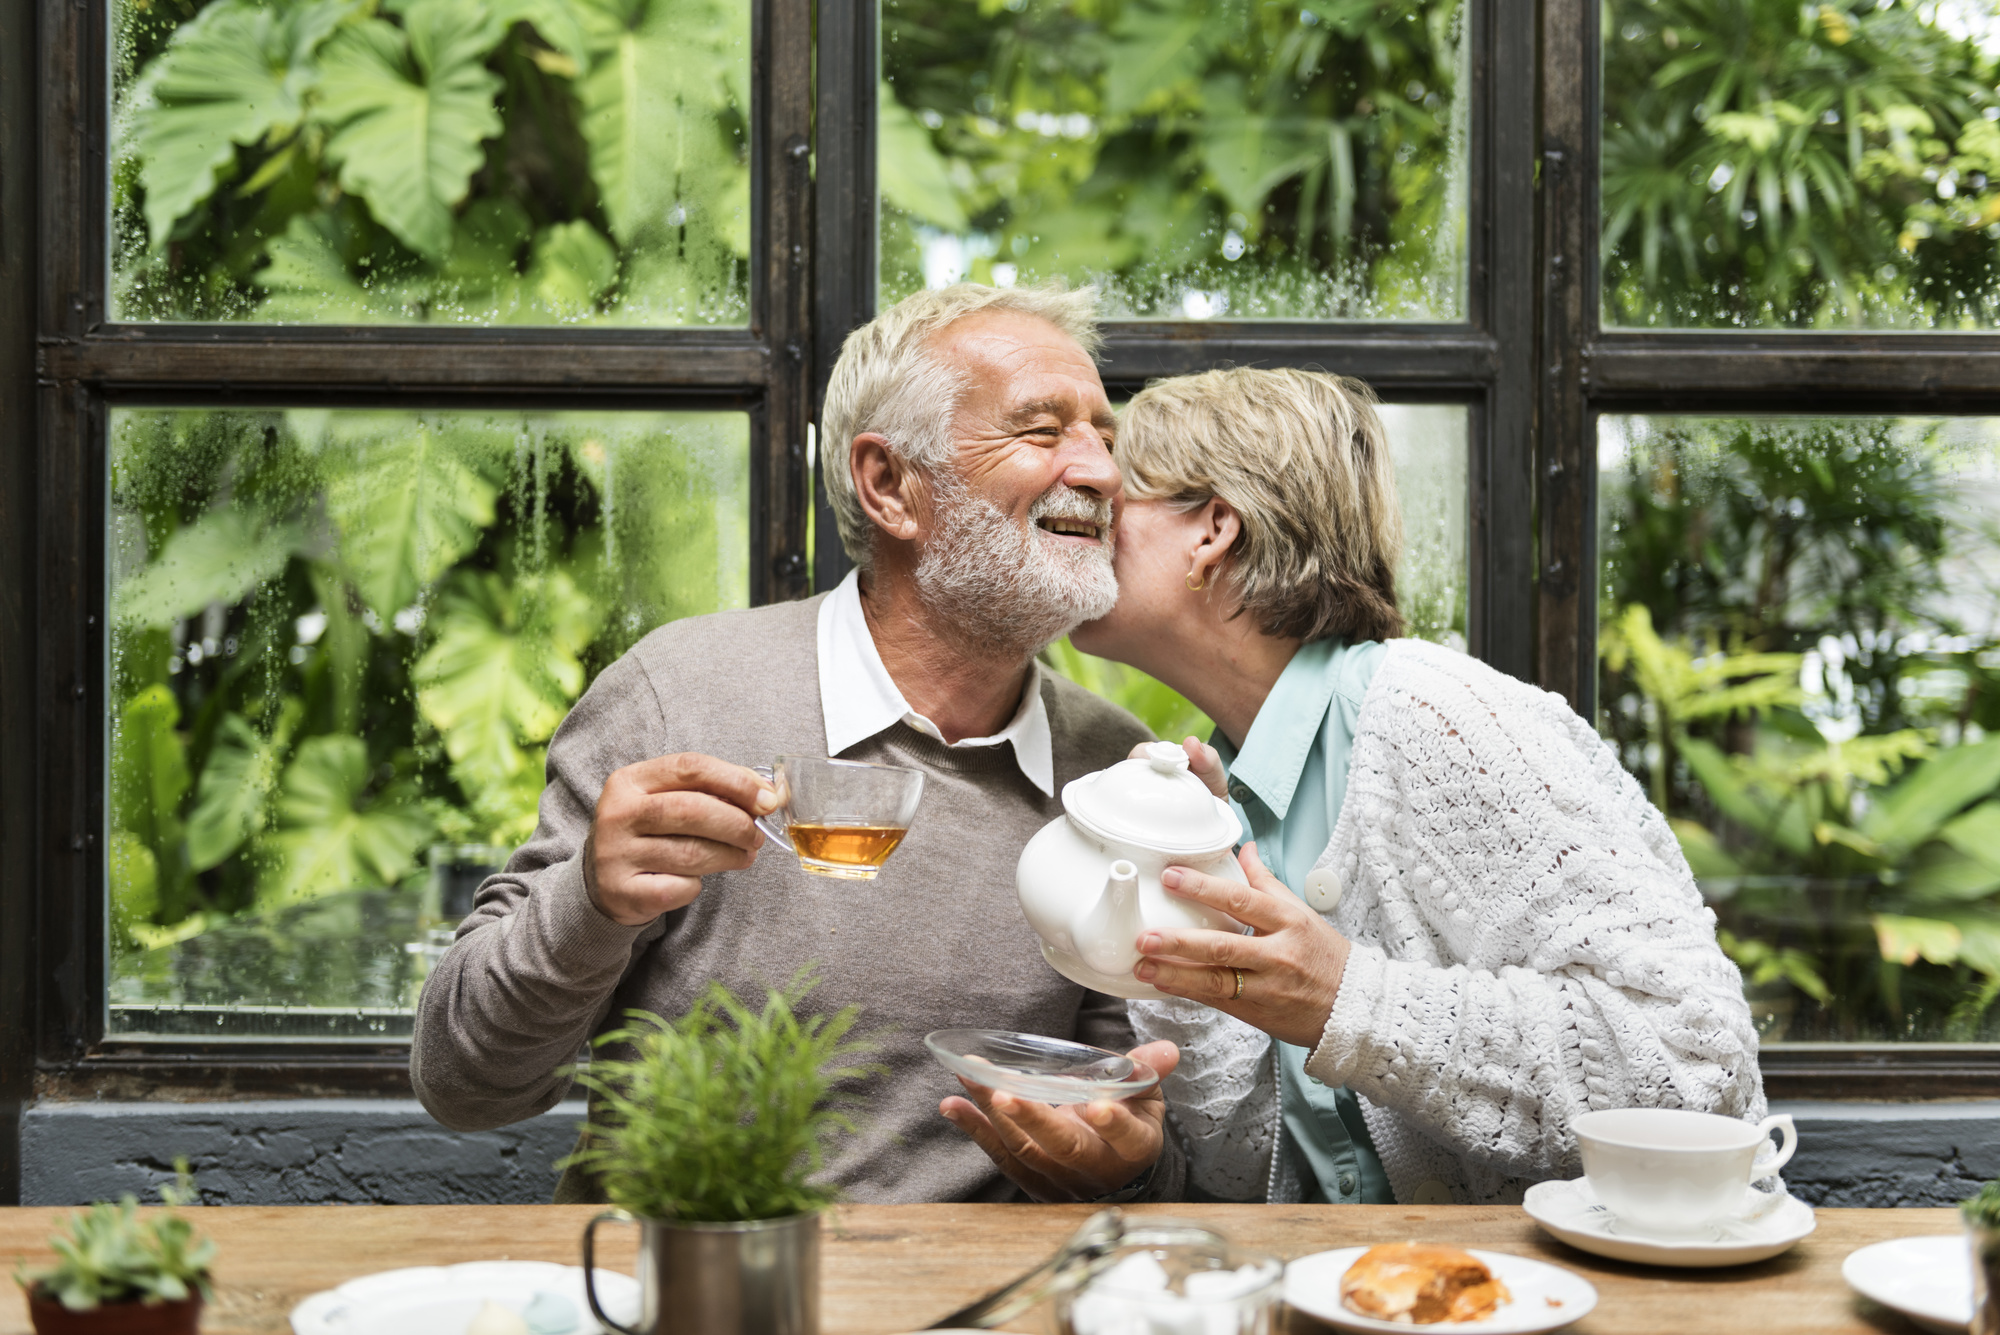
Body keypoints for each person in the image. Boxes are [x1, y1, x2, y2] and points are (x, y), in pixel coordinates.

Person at [410, 282, 1183, 1205]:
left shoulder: (1117, 774)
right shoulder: (680, 693)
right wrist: (589, 904)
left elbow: (1125, 1121)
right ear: (890, 484)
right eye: (1042, 430)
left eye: (1106, 432)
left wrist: (1122, 1162)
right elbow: (462, 1081)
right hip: (700, 1286)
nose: (1101, 471)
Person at [983, 366, 1764, 1206]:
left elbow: (1697, 1065)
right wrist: (1192, 930)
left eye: (1120, 489)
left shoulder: (1442, 717)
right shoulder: (1224, 788)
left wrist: (1346, 997)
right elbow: (1251, 1177)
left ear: (1213, 530)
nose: (1089, 511)